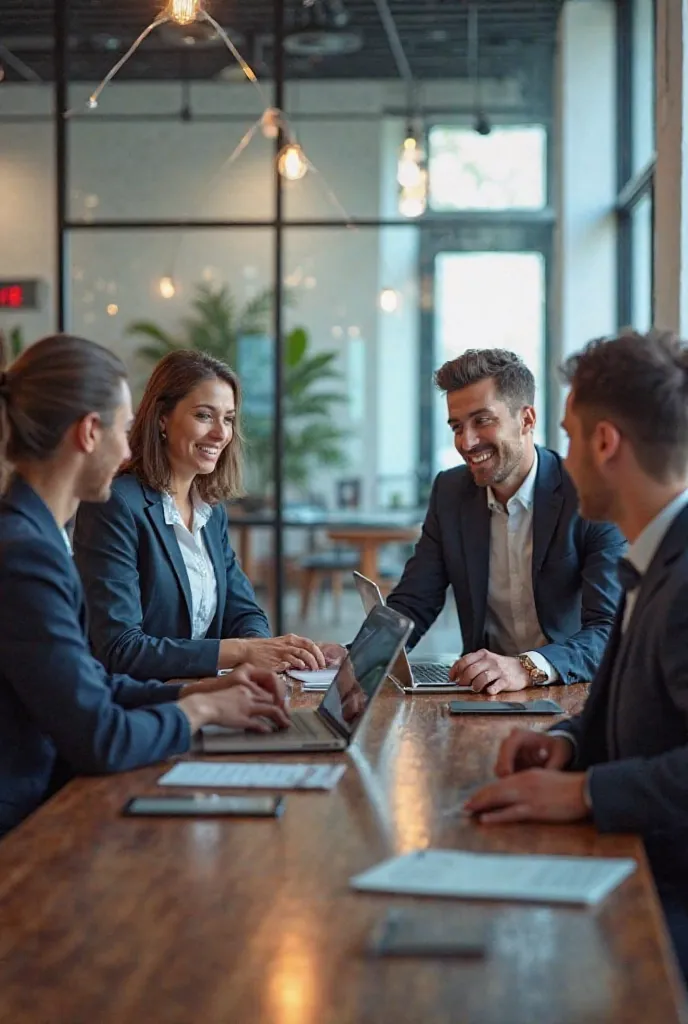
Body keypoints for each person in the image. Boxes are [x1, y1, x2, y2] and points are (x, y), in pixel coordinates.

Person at [0, 333, 289, 837]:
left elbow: (92, 684)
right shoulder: (25, 552)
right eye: (125, 427)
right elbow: (102, 734)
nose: (126, 446)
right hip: (28, 823)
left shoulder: (33, 536)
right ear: (91, 432)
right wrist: (202, 707)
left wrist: (205, 688)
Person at [464, 330, 688, 978]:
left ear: (605, 442)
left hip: (660, 905)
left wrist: (585, 792)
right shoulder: (655, 561)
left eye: (566, 435)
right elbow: (632, 713)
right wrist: (566, 742)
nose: (559, 459)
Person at [73, 349, 329, 682]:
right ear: (162, 418)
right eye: (204, 415)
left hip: (209, 694)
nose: (221, 433)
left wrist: (268, 653)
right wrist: (241, 652)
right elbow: (120, 648)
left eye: (228, 418)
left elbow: (243, 610)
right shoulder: (117, 504)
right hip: (139, 709)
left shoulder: (210, 511)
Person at [385, 348, 626, 693]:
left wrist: (527, 668)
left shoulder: (587, 494)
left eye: (482, 420)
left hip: (569, 689)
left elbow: (609, 629)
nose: (466, 442)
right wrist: (356, 657)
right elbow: (414, 601)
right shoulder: (450, 491)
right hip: (482, 694)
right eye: (457, 426)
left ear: (526, 420)